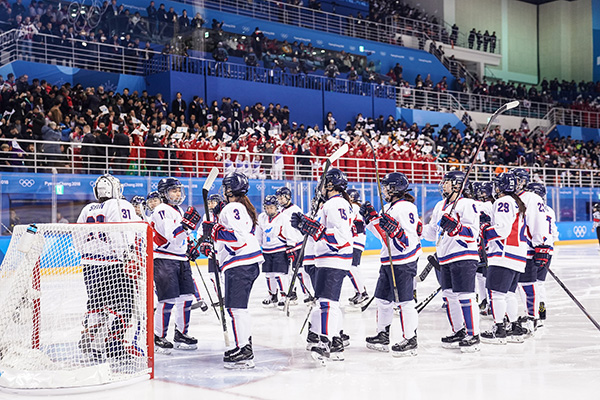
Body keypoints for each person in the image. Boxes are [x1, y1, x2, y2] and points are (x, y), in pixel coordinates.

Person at [201, 172, 263, 369]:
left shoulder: (233, 207)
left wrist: (215, 231)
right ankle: (244, 344)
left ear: (229, 190)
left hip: (240, 264)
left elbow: (238, 239)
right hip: (246, 263)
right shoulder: (240, 207)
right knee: (239, 309)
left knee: (235, 309)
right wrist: (213, 243)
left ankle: (244, 350)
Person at [291, 169, 353, 363]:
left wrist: (316, 231)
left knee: (327, 303)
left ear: (330, 185)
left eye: (324, 183)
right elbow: (322, 231)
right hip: (327, 259)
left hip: (333, 259)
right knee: (327, 302)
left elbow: (340, 236)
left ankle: (326, 343)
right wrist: (303, 225)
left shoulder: (335, 203)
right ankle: (334, 341)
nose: (320, 186)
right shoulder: (332, 204)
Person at [76, 174, 140, 361]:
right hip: (113, 265)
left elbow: (78, 237)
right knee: (125, 306)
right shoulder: (120, 205)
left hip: (89, 264)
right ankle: (115, 346)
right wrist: (127, 255)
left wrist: (88, 252)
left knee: (96, 305)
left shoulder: (87, 208)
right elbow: (121, 232)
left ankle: (92, 346)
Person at [361, 172, 423, 356]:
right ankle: (383, 334)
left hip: (403, 261)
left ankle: (410, 338)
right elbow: (384, 235)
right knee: (382, 299)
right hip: (388, 260)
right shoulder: (388, 208)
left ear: (395, 188)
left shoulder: (405, 208)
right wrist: (372, 219)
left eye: (387, 186)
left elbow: (409, 237)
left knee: (405, 301)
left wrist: (396, 232)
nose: (384, 190)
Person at [421, 171, 480, 352]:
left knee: (465, 295)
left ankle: (473, 334)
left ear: (457, 185)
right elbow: (432, 232)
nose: (443, 185)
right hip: (444, 257)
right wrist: (415, 228)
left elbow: (473, 233)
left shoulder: (467, 204)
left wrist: (457, 227)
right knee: (449, 296)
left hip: (463, 255)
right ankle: (459, 331)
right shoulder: (440, 205)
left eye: (447, 182)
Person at [150, 177, 201, 353]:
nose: (178, 194)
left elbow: (181, 238)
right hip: (164, 259)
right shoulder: (161, 209)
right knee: (167, 300)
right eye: (173, 190)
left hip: (180, 258)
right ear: (164, 194)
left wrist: (191, 246)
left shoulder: (177, 209)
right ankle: (158, 336)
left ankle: (181, 333)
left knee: (186, 298)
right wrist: (185, 227)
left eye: (179, 190)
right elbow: (171, 235)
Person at [479, 172, 529, 344]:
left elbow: (502, 230)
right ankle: (514, 327)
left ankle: (499, 329)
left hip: (503, 255)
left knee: (497, 295)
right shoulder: (516, 202)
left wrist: (484, 229)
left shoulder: (503, 201)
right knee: (508, 294)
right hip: (517, 256)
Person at [513, 168, 550, 334]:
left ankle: (532, 317)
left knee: (529, 285)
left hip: (527, 250)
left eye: (517, 179)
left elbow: (538, 223)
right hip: (511, 251)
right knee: (513, 288)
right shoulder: (508, 198)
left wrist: (540, 245)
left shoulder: (532, 198)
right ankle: (514, 318)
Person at [526, 182, 558, 326]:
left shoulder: (531, 208)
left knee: (532, 283)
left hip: (536, 249)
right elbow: (554, 233)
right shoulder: (549, 210)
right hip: (548, 249)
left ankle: (535, 315)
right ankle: (541, 309)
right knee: (539, 283)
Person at [275, 186, 309, 303]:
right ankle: (292, 293)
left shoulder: (295, 209)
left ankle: (307, 293)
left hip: (297, 244)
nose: (280, 201)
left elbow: (302, 227)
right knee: (288, 271)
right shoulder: (280, 211)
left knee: (299, 270)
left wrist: (293, 243)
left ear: (288, 197)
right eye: (278, 198)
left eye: (282, 198)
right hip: (287, 245)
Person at [256, 195, 289, 307]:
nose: (269, 210)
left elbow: (289, 233)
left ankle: (284, 295)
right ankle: (272, 295)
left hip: (280, 249)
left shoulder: (283, 218)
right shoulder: (262, 217)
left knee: (279, 274)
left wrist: (291, 246)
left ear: (276, 207)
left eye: (271, 207)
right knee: (269, 274)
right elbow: (259, 234)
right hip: (266, 250)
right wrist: (257, 247)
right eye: (267, 207)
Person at [345, 188, 369, 306]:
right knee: (355, 267)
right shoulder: (356, 207)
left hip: (355, 240)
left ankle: (362, 292)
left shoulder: (353, 207)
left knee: (351, 267)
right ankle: (359, 291)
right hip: (357, 240)